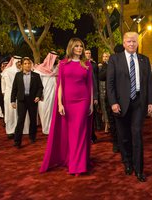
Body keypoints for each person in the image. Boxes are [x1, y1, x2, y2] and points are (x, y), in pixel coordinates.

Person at [40, 38, 93, 176]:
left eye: (81, 46)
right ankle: (71, 159)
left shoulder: (86, 64)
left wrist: (91, 103)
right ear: (71, 47)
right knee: (70, 133)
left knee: (79, 132)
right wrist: (59, 103)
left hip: (82, 101)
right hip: (68, 102)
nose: (80, 48)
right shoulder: (63, 64)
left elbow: (90, 86)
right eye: (76, 46)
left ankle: (78, 166)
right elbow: (60, 85)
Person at [107, 32, 152, 182]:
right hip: (120, 104)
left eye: (134, 41)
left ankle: (139, 169)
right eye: (129, 41)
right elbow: (110, 83)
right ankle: (127, 162)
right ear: (124, 43)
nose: (132, 44)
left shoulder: (144, 60)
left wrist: (151, 102)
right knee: (124, 136)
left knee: (137, 134)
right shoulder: (115, 59)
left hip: (139, 102)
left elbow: (149, 83)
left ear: (138, 43)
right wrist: (113, 102)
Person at [11, 57, 43, 148]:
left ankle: (32, 137)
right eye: (25, 63)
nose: (27, 65)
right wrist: (13, 100)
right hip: (21, 100)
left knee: (33, 120)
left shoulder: (36, 75)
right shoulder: (18, 75)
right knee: (20, 120)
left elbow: (40, 87)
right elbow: (14, 89)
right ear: (22, 65)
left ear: (31, 64)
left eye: (28, 63)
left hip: (33, 100)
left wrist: (38, 96)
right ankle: (17, 141)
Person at [1, 56, 30, 139]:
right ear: (14, 62)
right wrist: (4, 93)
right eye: (18, 63)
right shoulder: (7, 71)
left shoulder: (22, 72)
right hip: (9, 95)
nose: (19, 64)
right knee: (10, 114)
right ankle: (10, 131)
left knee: (19, 113)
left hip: (20, 95)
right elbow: (3, 84)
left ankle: (19, 130)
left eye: (20, 63)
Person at [33, 51, 59, 135]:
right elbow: (36, 84)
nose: (56, 60)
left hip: (54, 92)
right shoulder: (39, 69)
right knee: (44, 110)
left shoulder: (56, 68)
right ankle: (46, 128)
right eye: (55, 58)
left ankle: (53, 127)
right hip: (44, 93)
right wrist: (38, 94)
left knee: (53, 110)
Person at [85, 49, 100, 143]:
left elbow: (94, 81)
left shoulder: (93, 64)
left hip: (90, 95)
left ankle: (92, 136)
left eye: (89, 53)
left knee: (91, 117)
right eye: (86, 53)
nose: (88, 54)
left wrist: (95, 96)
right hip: (80, 96)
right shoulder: (79, 64)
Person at [98, 52, 110, 133]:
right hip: (101, 89)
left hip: (108, 89)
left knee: (108, 108)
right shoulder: (99, 66)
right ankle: (106, 123)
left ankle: (108, 123)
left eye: (106, 56)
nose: (105, 58)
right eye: (104, 56)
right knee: (103, 107)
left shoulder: (110, 66)